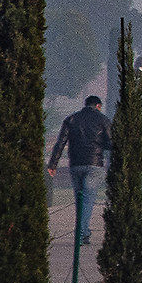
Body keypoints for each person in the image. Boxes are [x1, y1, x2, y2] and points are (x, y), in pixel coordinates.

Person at [48, 94, 114, 246]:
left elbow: (60, 143)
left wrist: (53, 164)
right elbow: (111, 143)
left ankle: (83, 232)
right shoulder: (103, 120)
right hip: (94, 164)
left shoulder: (72, 119)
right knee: (88, 200)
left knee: (80, 200)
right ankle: (82, 233)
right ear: (98, 106)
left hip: (75, 164)